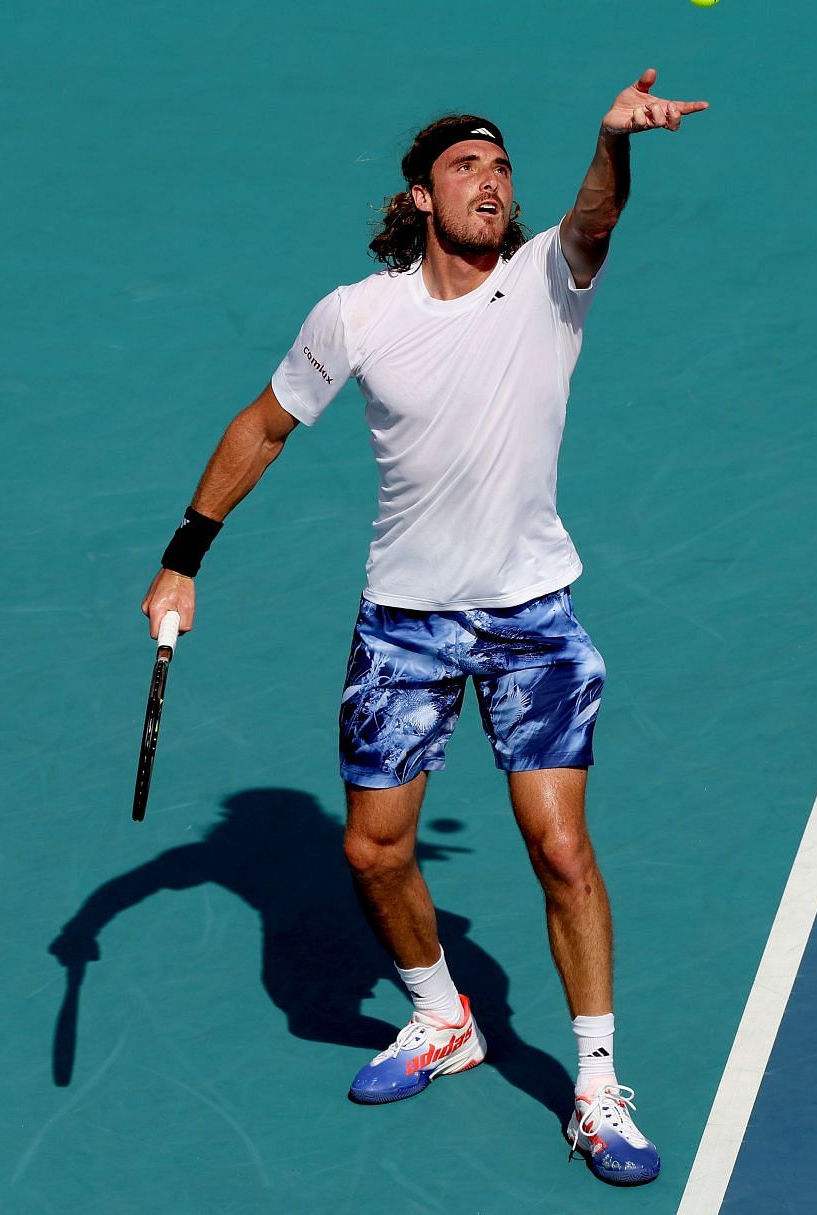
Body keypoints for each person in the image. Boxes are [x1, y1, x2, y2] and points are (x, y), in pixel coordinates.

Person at [139, 69, 707, 1187]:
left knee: (558, 844)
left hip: (530, 614)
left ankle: (595, 1086)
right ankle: (443, 1016)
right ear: (416, 199)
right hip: (405, 619)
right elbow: (263, 426)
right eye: (467, 167)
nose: (492, 182)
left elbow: (595, 212)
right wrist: (182, 557)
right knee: (371, 848)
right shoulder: (357, 315)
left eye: (501, 168)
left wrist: (613, 141)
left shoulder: (550, 278)